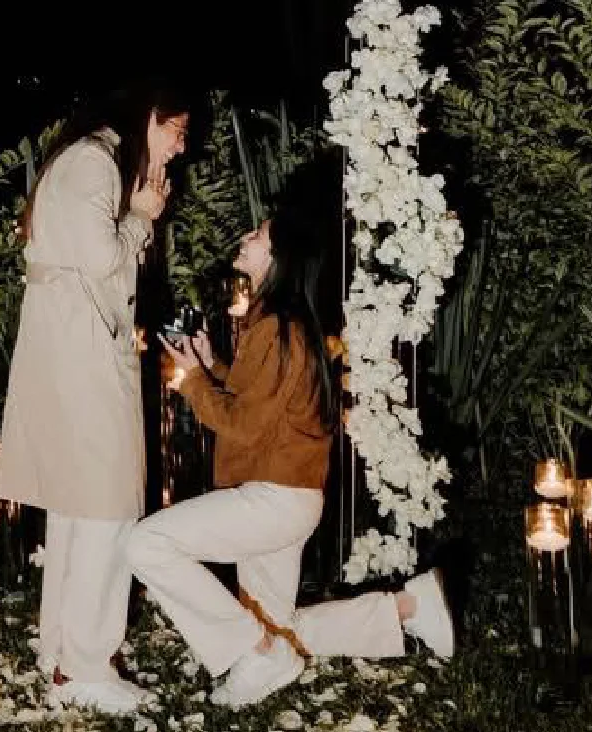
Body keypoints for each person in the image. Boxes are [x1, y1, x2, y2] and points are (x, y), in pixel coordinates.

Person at [127, 175, 454, 709]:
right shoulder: (285, 326)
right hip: (291, 497)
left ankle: (256, 653)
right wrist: (212, 364)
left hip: (272, 499)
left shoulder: (276, 327)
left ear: (278, 257)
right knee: (277, 625)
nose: (247, 238)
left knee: (145, 544)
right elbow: (264, 404)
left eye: (258, 234)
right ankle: (407, 608)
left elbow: (242, 424)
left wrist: (192, 380)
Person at [0, 84, 190, 715]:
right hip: (82, 361)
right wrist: (143, 216)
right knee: (106, 508)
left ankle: (64, 657)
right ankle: (85, 663)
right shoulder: (92, 163)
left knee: (81, 509)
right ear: (150, 117)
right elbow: (102, 255)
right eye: (177, 130)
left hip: (77, 354)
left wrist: (138, 210)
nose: (181, 146)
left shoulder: (94, 162)